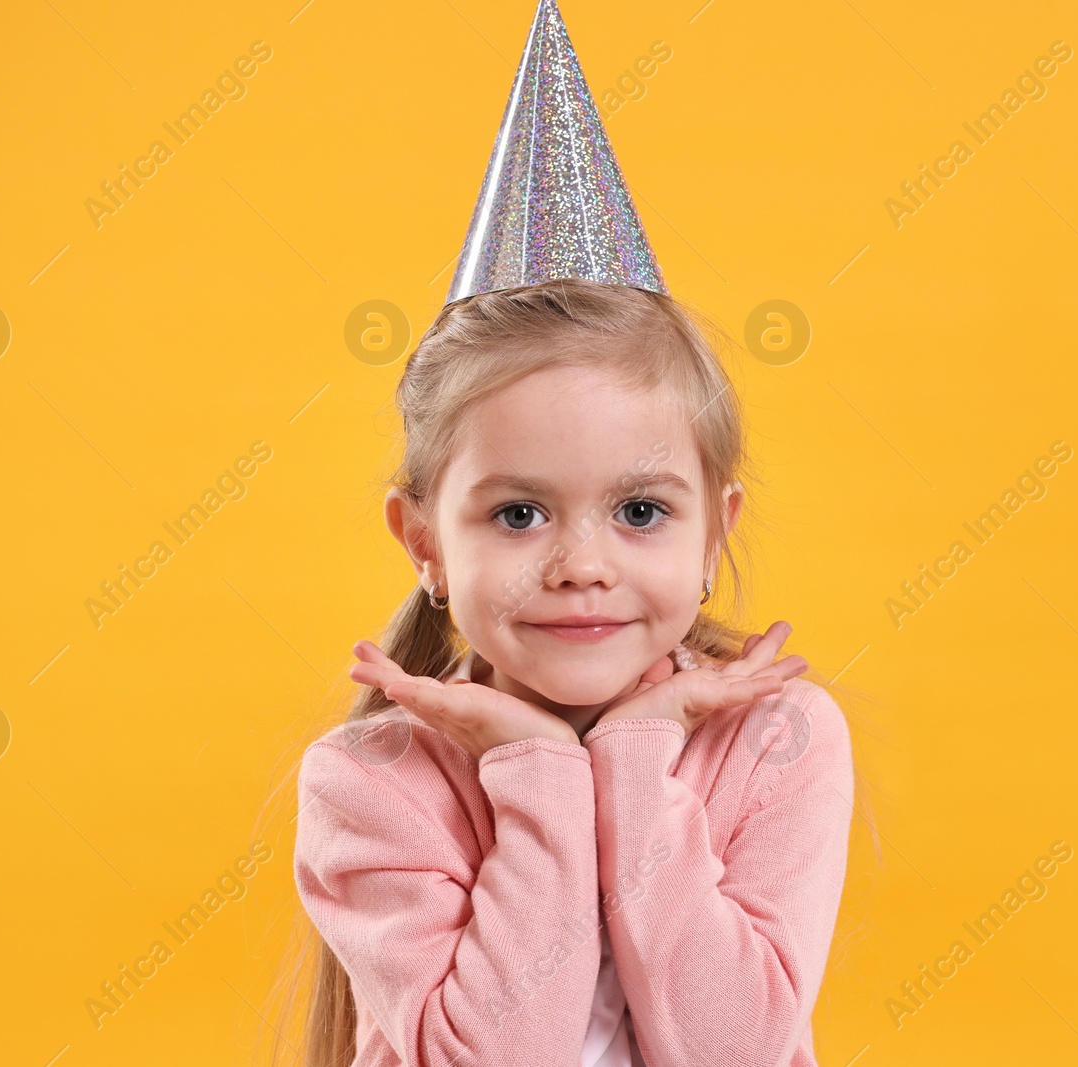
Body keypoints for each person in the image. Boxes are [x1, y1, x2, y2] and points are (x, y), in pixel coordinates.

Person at [281, 3, 860, 1064]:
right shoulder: (371, 778)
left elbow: (732, 1048)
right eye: (517, 512)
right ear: (423, 542)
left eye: (639, 511)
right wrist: (541, 770)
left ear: (710, 529)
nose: (582, 565)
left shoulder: (779, 740)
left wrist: (635, 758)